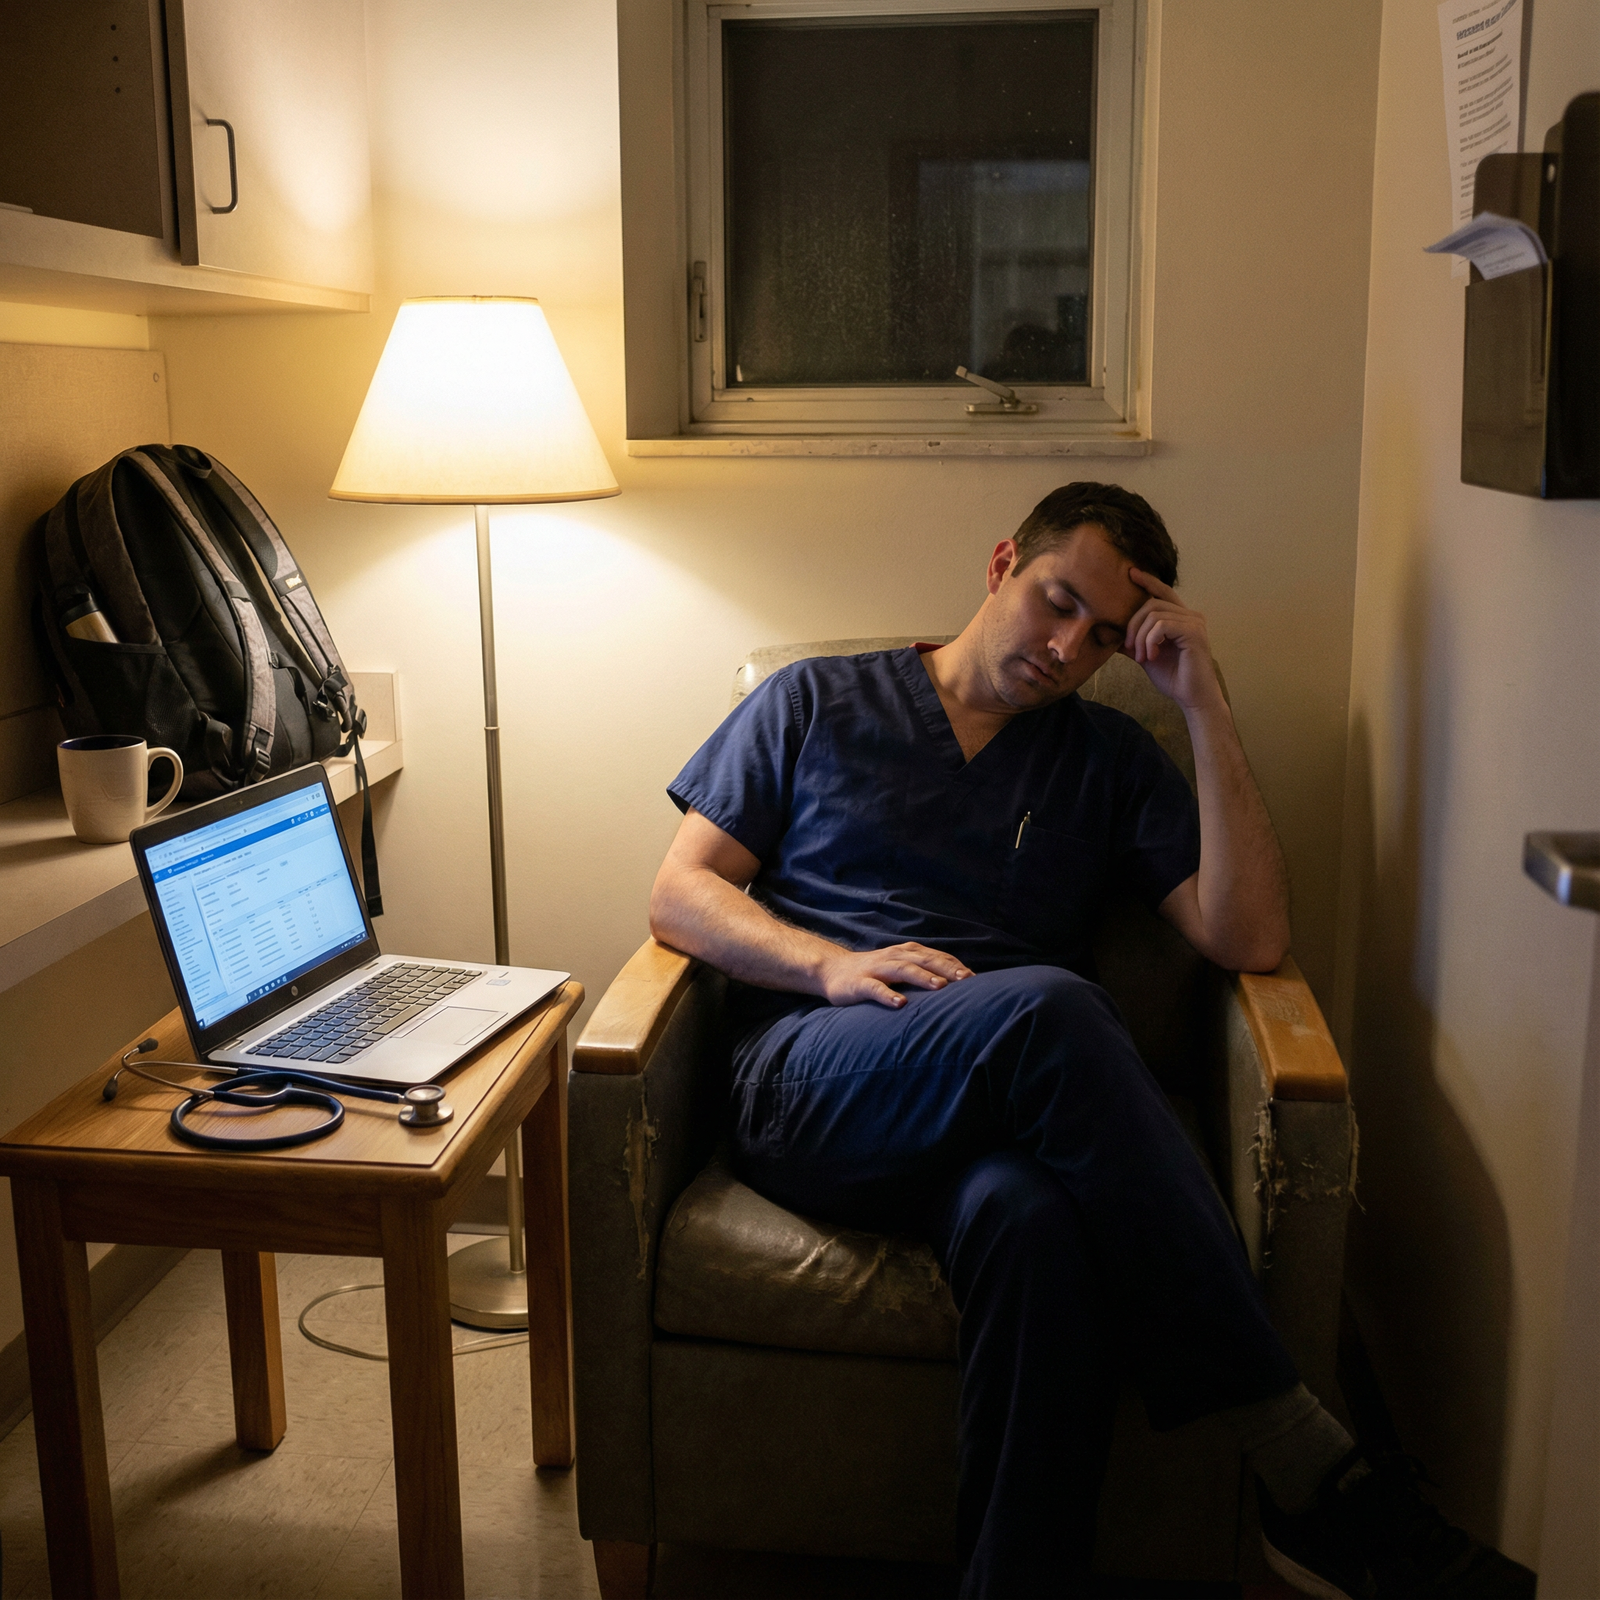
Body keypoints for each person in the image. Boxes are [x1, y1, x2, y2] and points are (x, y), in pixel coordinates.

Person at [649, 483, 1531, 1600]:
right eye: (1057, 602)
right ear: (1002, 562)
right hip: (816, 1076)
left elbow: (1248, 935)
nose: (1069, 648)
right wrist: (824, 964)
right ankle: (1301, 1456)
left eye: (1106, 636)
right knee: (1054, 1006)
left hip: (998, 1119)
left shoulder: (1106, 757)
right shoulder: (813, 701)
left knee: (1036, 1229)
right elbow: (680, 893)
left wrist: (1204, 701)